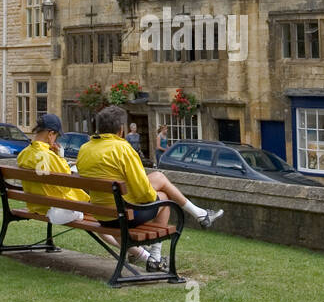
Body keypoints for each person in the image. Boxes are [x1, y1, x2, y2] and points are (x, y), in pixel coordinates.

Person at [76, 105, 223, 272]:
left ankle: (200, 214)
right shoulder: (122, 149)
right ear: (121, 129)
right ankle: (156, 257)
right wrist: (154, 196)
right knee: (165, 198)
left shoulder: (85, 149)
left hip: (101, 214)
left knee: (159, 179)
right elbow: (143, 193)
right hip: (123, 215)